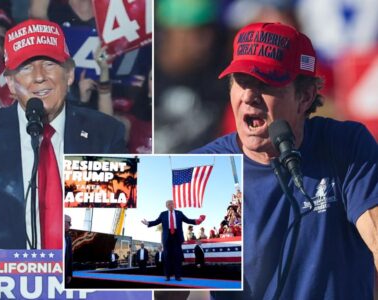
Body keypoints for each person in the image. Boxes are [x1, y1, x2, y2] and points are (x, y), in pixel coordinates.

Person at [190, 22, 378, 299]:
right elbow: (163, 289)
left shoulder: (346, 145)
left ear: (304, 96)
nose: (248, 96)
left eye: (264, 83)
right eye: (241, 82)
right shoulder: (202, 170)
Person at [0, 19, 126, 250]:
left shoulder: (104, 134)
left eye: (50, 64)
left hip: (77, 281)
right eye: (26, 67)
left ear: (69, 74)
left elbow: (113, 227)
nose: (39, 76)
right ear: (11, 84)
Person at [141, 200, 206, 281]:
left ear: (174, 204)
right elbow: (156, 221)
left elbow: (188, 220)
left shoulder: (179, 213)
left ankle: (177, 276)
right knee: (167, 257)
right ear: (166, 206)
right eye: (168, 204)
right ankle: (167, 276)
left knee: (177, 257)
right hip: (167, 237)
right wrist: (148, 223)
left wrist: (198, 221)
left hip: (177, 237)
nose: (170, 205)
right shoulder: (163, 214)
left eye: (171, 204)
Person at [64, 214, 73, 287]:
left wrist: (69, 274)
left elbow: (70, 257)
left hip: (65, 272)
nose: (70, 226)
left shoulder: (68, 238)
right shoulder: (54, 234)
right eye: (69, 223)